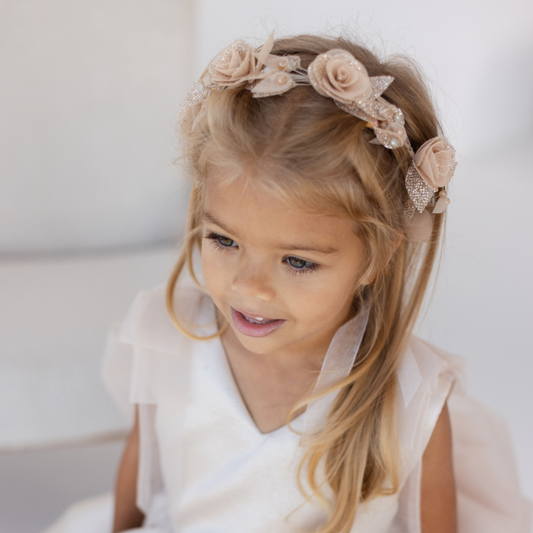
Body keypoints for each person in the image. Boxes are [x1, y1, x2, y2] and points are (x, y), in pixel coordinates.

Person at [44, 33, 531, 533]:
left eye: (297, 262)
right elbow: (143, 478)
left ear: (377, 256)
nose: (249, 287)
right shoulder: (170, 334)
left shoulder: (408, 401)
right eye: (225, 241)